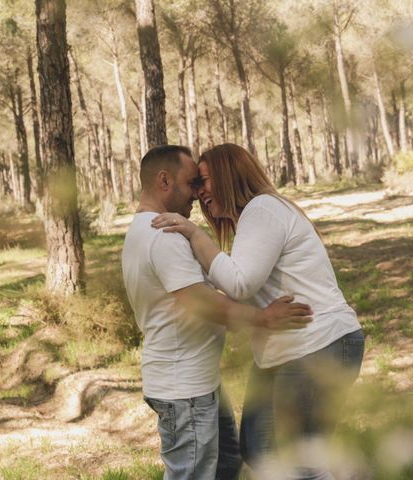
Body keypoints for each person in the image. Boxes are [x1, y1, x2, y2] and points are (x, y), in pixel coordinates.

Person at [152, 143, 365, 479]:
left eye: (204, 181)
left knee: (297, 457)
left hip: (319, 343)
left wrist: (194, 234)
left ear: (229, 177)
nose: (199, 193)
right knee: (259, 447)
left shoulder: (263, 209)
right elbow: (231, 278)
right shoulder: (253, 219)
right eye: (195, 184)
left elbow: (239, 284)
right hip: (288, 350)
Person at [121, 145, 313, 480]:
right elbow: (201, 300)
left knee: (225, 464)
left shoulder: (145, 229)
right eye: (191, 182)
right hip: (185, 388)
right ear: (164, 181)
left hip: (196, 381)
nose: (197, 193)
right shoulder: (162, 233)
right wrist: (263, 319)